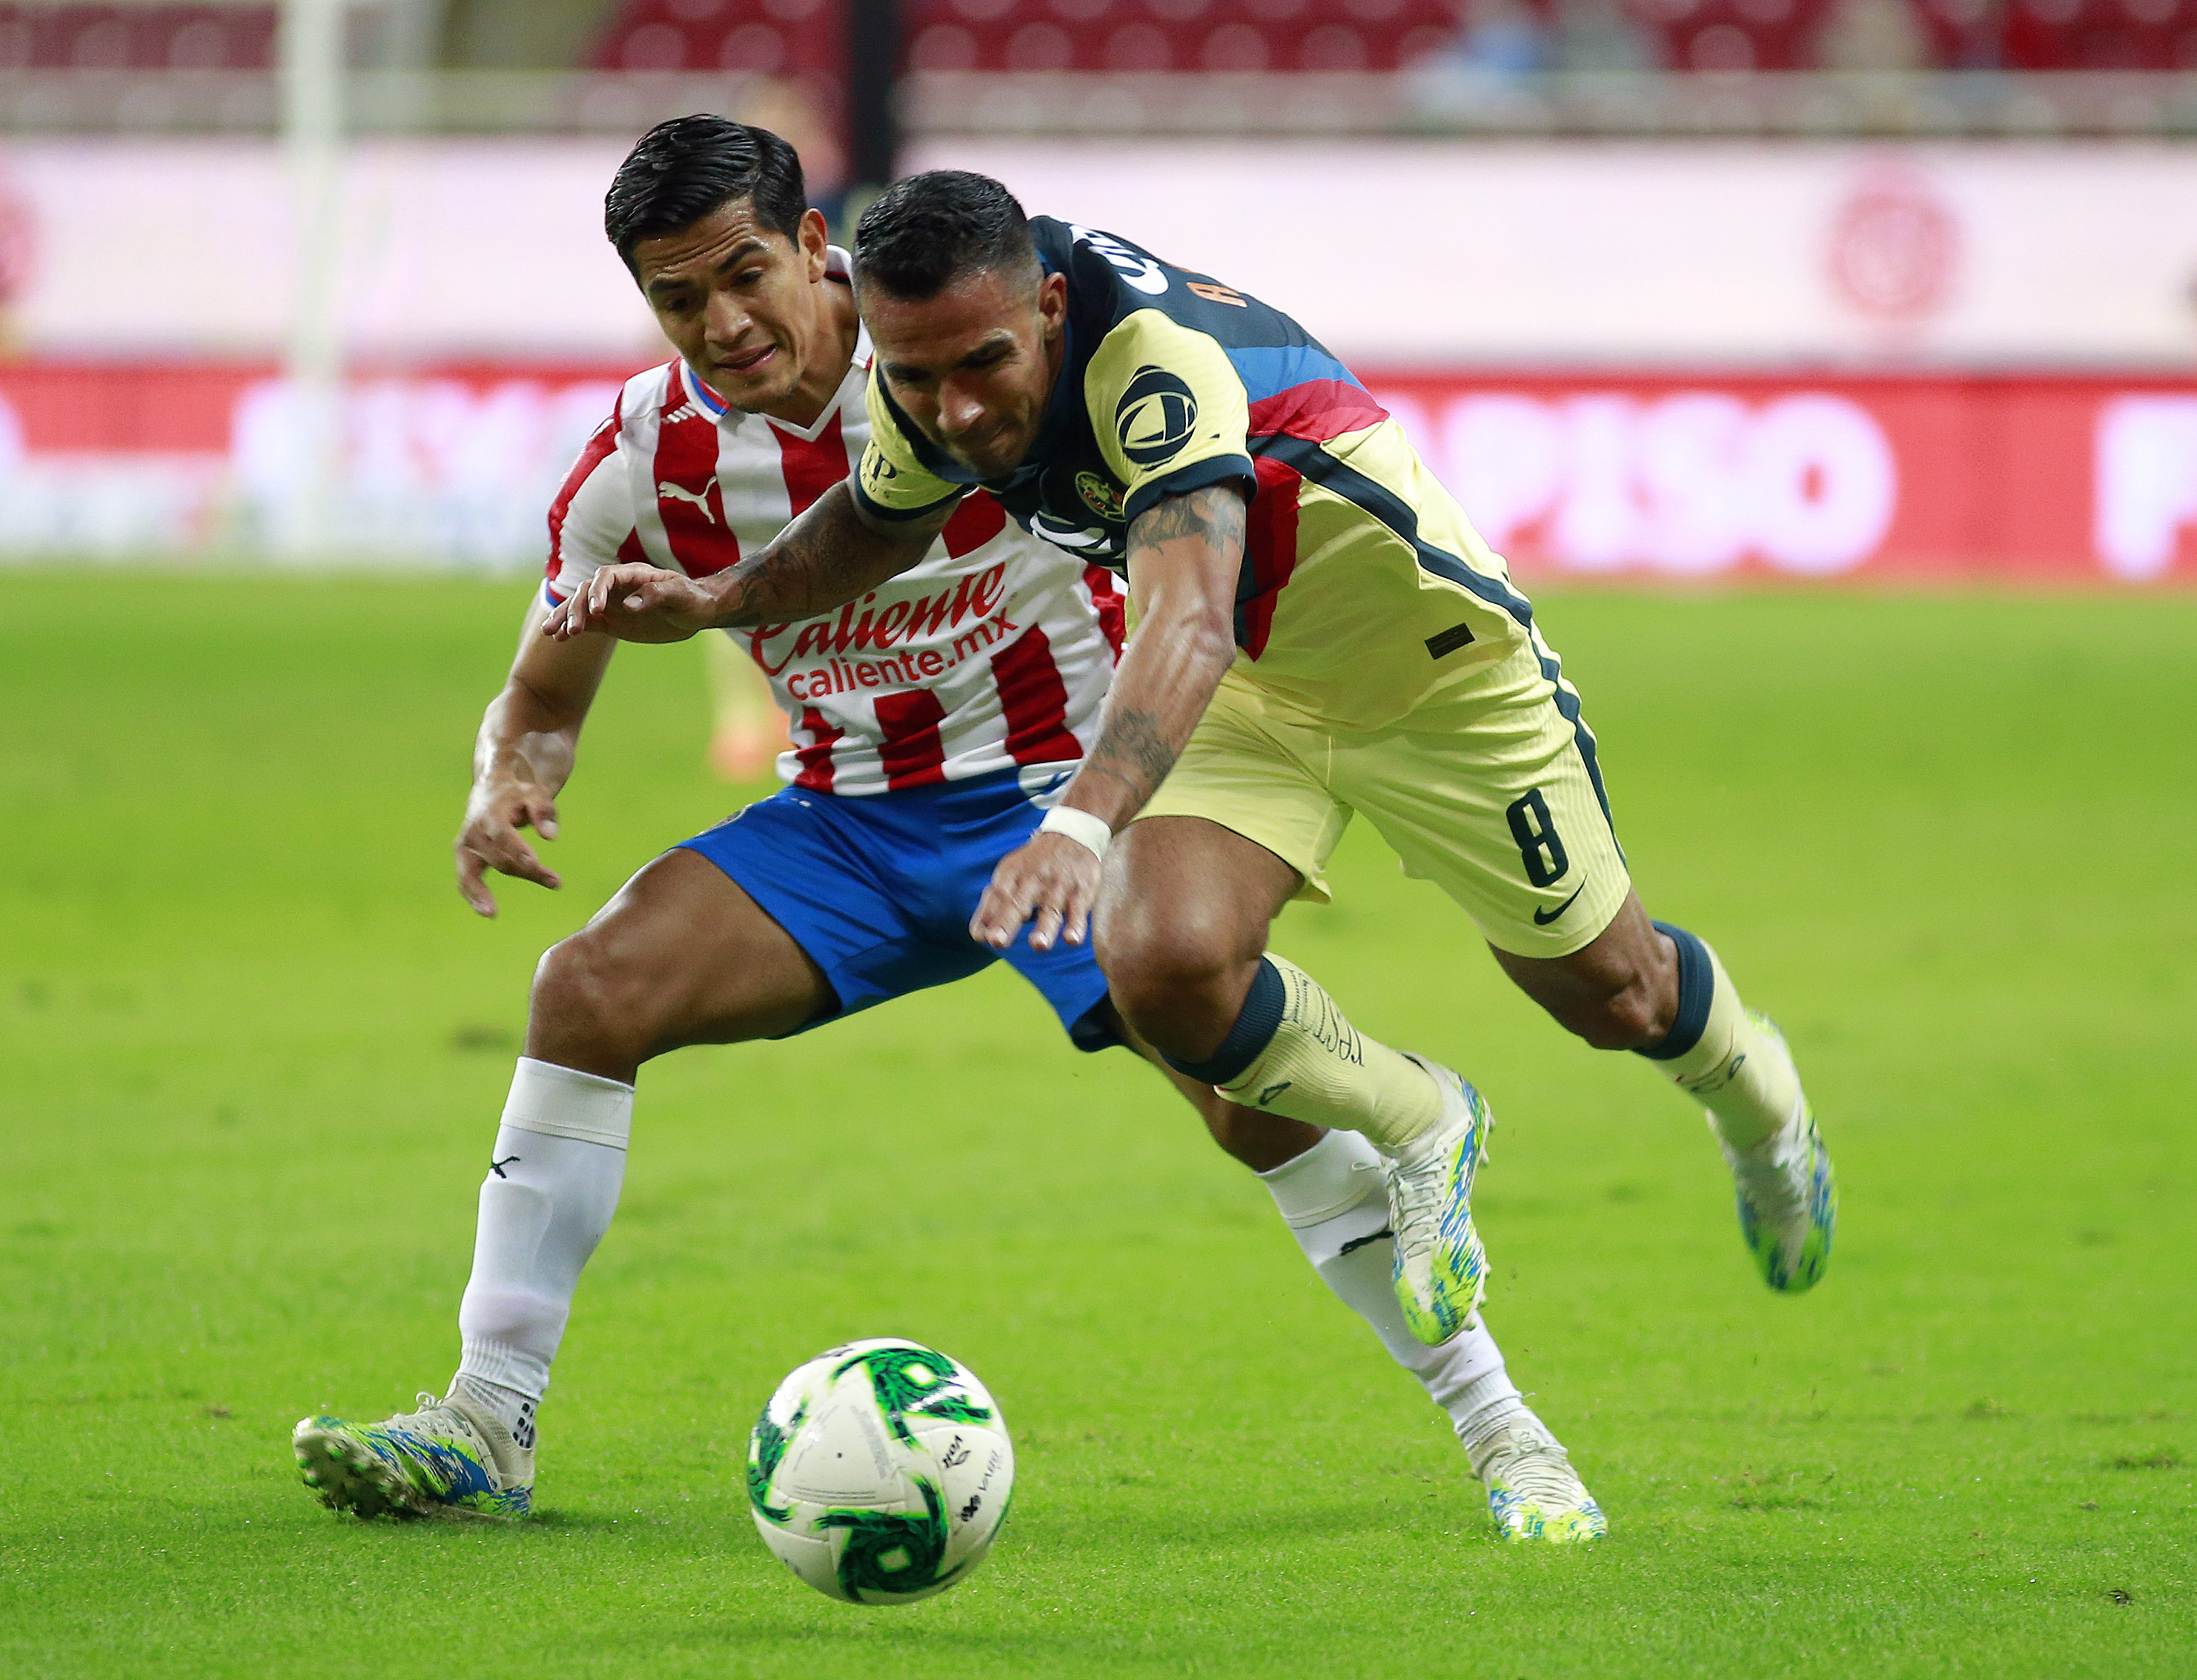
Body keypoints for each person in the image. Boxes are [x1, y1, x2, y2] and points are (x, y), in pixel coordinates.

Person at [292, 119, 1606, 1544]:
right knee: (587, 988)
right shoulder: (641, 460)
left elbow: (1177, 547)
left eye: (746, 274)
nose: (724, 324)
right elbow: (546, 681)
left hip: (1072, 790)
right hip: (851, 825)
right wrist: (511, 776)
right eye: (680, 300)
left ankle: (1507, 1437)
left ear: (814, 245)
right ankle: (488, 1419)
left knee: (1247, 1102)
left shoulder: (960, 353)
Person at [553, 170, 1835, 1365]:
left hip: (1431, 676)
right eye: (919, 376)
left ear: (1048, 308)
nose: (961, 412)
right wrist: (715, 597)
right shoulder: (932, 378)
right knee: (1160, 960)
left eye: (987, 365)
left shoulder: (1153, 360)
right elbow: (869, 532)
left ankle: (1764, 1115)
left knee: (1613, 991)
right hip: (1242, 699)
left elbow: (1184, 619)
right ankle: (1423, 1115)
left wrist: (1081, 823)